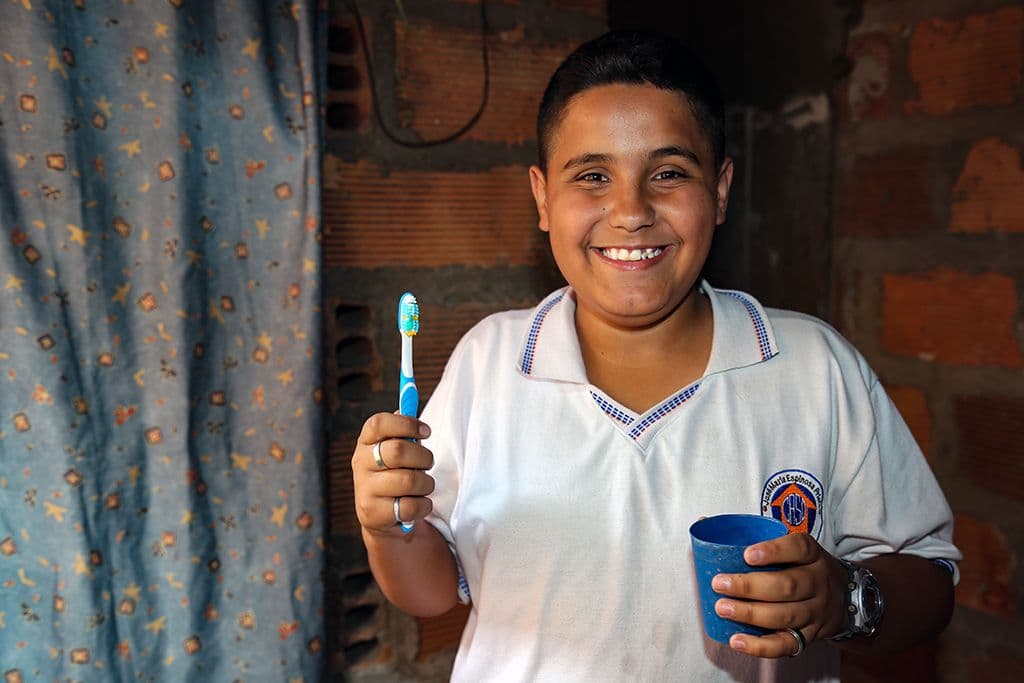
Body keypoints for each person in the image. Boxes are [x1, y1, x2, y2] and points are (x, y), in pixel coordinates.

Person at [351, 30, 961, 682]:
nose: (631, 211)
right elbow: (431, 592)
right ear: (541, 197)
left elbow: (929, 579)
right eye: (592, 176)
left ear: (721, 188)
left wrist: (844, 597)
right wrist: (388, 526)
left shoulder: (812, 367)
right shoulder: (490, 363)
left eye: (668, 173)